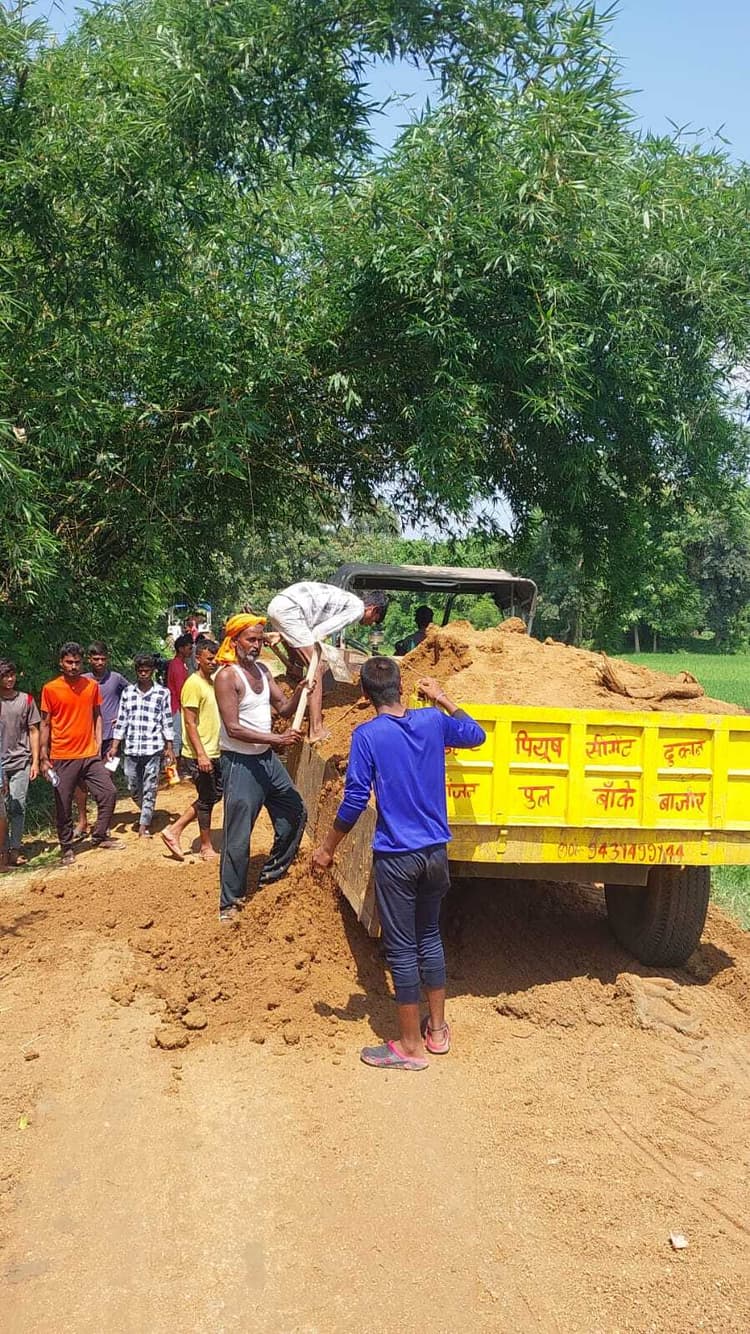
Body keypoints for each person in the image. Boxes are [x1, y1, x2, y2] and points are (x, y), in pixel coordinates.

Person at [312, 657, 485, 1071]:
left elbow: (355, 799)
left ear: (365, 695)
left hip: (397, 857)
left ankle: (409, 1047)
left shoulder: (368, 735)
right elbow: (476, 735)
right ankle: (437, 1031)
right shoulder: (432, 720)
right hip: (436, 853)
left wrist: (328, 847)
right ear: (402, 687)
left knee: (403, 949)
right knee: (429, 936)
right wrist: (442, 698)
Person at [213, 613, 310, 922]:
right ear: (235, 642)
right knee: (238, 836)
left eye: (259, 640)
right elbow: (233, 729)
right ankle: (230, 903)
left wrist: (301, 689)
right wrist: (277, 738)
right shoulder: (227, 677)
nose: (256, 645)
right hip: (240, 762)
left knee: (295, 812)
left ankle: (271, 875)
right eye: (250, 639)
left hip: (266, 759)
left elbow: (283, 707)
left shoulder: (264, 671)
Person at [266, 581, 389, 742]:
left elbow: (311, 626)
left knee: (306, 659)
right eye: (374, 620)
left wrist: (284, 636)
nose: (370, 624)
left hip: (281, 605)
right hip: (291, 610)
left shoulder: (347, 600)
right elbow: (319, 632)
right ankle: (316, 730)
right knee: (316, 667)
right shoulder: (357, 610)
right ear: (373, 609)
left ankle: (295, 675)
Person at [40, 643, 121, 867]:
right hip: (63, 756)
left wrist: (97, 743)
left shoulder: (91, 686)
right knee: (63, 803)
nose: (73, 666)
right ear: (61, 663)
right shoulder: (51, 689)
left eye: (77, 662)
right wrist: (43, 756)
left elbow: (97, 715)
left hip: (89, 754)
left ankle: (99, 835)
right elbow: (45, 724)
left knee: (108, 792)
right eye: (69, 662)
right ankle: (66, 847)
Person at [161, 637, 223, 862]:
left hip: (214, 750)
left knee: (215, 794)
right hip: (200, 753)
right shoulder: (193, 684)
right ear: (198, 659)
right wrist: (201, 754)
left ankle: (174, 830)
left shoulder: (212, 682)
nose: (213, 662)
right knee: (206, 799)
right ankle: (205, 846)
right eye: (209, 659)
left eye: (215, 658)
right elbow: (189, 722)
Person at [108, 654, 175, 838]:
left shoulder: (162, 693)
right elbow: (122, 720)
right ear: (136, 671)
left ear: (152, 671)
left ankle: (144, 823)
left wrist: (169, 746)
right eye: (140, 671)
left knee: (150, 785)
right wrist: (114, 746)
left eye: (147, 670)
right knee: (133, 785)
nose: (143, 674)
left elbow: (166, 720)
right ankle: (147, 809)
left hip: (153, 748)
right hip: (131, 748)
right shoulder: (128, 693)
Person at [73, 642, 129, 840]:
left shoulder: (116, 679)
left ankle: (103, 821)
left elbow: (132, 695)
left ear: (107, 659)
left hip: (112, 739)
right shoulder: (83, 680)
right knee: (81, 781)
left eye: (103, 659)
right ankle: (82, 820)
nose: (99, 662)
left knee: (106, 778)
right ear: (89, 659)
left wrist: (122, 715)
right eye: (95, 659)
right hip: (86, 738)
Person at [0, 658, 41, 867]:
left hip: (21, 761)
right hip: (0, 765)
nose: (9, 679)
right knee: (2, 810)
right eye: (5, 676)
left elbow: (34, 730)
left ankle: (15, 849)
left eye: (12, 675)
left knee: (18, 806)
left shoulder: (26, 700)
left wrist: (35, 761)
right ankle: (3, 850)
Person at [165, 634, 193, 775]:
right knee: (176, 736)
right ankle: (173, 768)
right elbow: (180, 689)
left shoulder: (181, 664)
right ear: (181, 649)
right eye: (189, 648)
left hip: (178, 704)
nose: (191, 650)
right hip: (176, 706)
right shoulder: (177, 665)